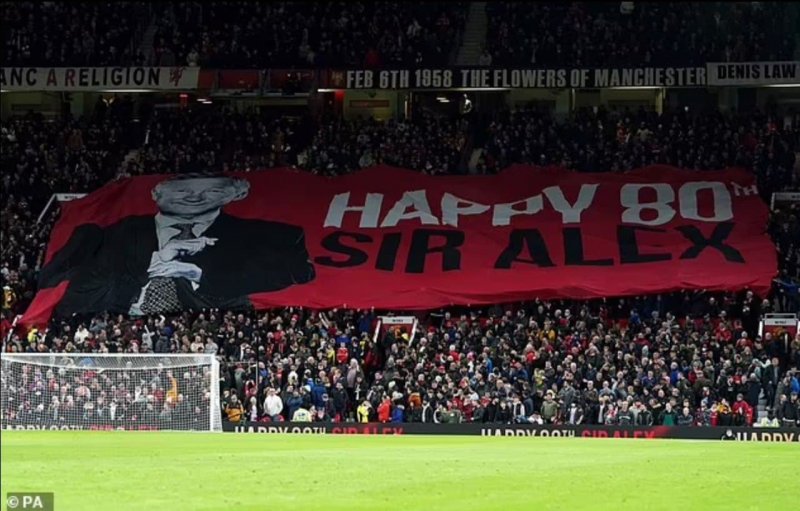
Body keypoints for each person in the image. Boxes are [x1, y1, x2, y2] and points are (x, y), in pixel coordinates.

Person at [38, 174, 316, 317]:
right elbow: (55, 284)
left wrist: (196, 273)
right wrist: (155, 261)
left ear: (236, 194)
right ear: (156, 193)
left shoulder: (273, 236)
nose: (195, 198)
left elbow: (298, 274)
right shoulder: (107, 234)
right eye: (181, 190)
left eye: (213, 190)